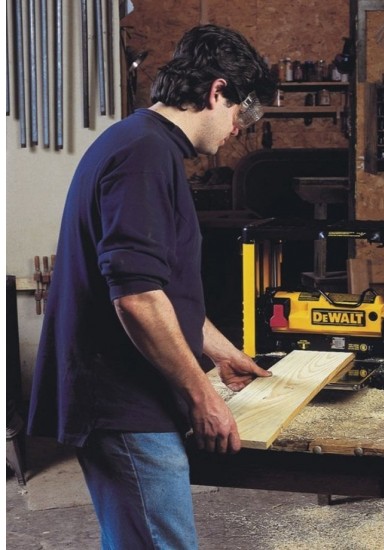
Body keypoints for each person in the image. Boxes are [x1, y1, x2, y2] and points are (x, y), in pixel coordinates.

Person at [27, 24, 277, 549]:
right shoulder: (143, 154)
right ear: (216, 92)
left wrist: (220, 351)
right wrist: (202, 396)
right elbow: (138, 299)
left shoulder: (140, 142)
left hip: (129, 397)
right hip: (123, 402)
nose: (238, 129)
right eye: (241, 113)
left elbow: (160, 287)